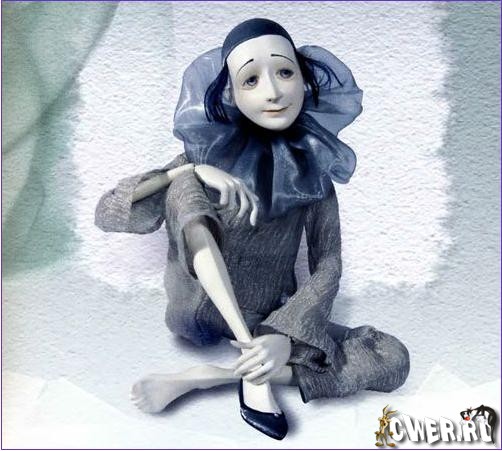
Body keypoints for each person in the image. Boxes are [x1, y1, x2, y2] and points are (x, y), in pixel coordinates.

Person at [95, 18, 410, 440]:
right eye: (251, 79)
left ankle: (216, 375)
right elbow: (108, 212)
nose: (273, 91)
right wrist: (186, 169)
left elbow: (328, 261)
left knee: (392, 357)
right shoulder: (207, 154)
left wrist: (283, 335)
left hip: (271, 317)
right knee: (185, 186)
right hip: (201, 310)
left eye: (284, 72)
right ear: (231, 93)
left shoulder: (312, 172)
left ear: (305, 80)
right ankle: (249, 355)